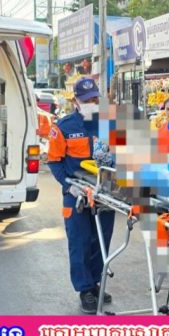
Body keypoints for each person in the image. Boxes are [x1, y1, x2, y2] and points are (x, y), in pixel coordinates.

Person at [48, 77, 115, 314]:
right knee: (80, 241)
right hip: (75, 193)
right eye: (86, 100)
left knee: (101, 240)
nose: (91, 104)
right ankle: (85, 289)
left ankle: (95, 282)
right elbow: (54, 161)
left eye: (95, 99)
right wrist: (68, 187)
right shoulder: (64, 126)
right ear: (75, 100)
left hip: (104, 192)